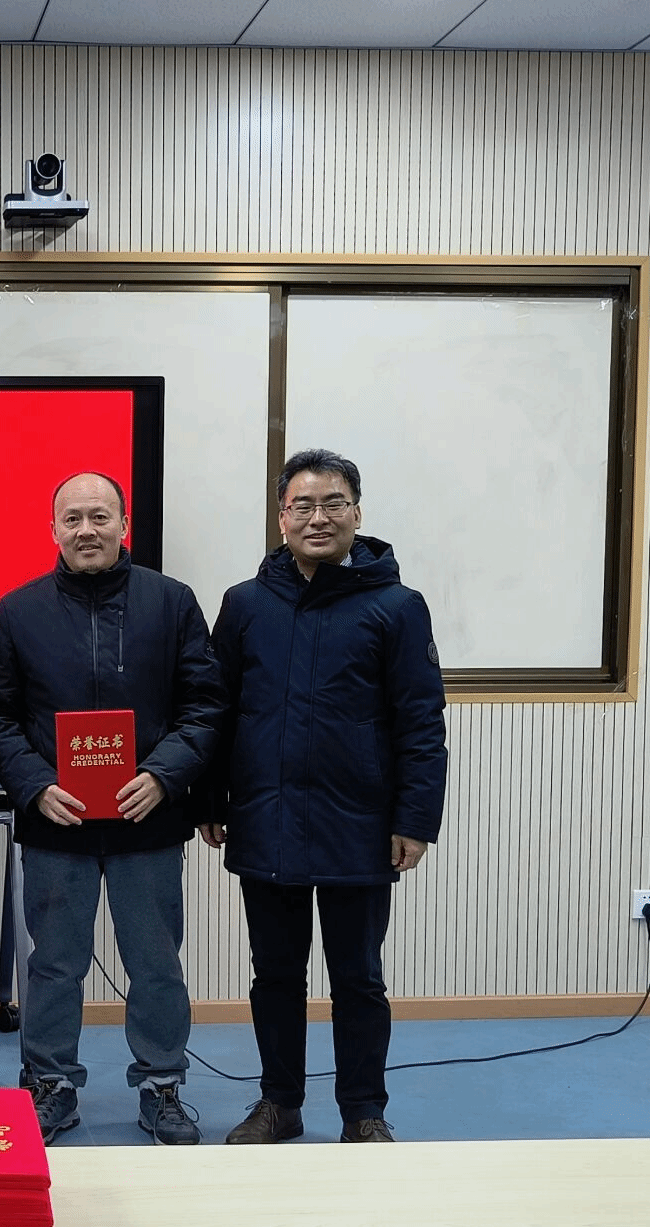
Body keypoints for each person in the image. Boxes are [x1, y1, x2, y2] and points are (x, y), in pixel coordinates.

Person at [201, 447, 447, 1144]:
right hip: (266, 817)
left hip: (360, 825)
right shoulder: (245, 604)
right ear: (281, 517)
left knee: (358, 978)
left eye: (333, 503)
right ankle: (279, 1103)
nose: (318, 517)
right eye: (302, 505)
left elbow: (421, 722)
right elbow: (217, 709)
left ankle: (363, 1111)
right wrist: (209, 799)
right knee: (275, 975)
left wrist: (415, 819)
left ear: (357, 514)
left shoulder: (397, 607)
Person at [0, 471, 226, 1145]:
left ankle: (162, 1083)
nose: (86, 530)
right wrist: (35, 783)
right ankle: (51, 1082)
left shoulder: (172, 603)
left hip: (148, 818)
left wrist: (163, 775)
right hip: (55, 821)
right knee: (53, 964)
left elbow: (205, 705)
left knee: (156, 963)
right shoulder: (19, 610)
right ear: (53, 529)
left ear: (124, 524)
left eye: (99, 516)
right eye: (72, 519)